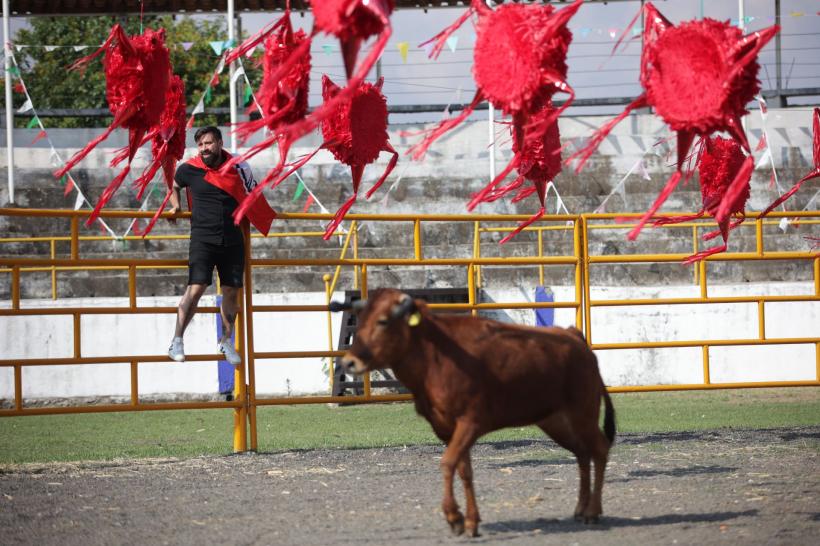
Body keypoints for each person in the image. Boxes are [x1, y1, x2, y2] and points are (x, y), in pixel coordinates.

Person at [167, 126, 275, 365]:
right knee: (195, 289)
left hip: (233, 238)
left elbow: (253, 192)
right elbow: (173, 185)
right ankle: (177, 340)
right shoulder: (189, 168)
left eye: (209, 143)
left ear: (219, 143)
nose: (205, 148)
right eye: (201, 144)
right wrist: (176, 206)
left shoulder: (238, 165)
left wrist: (266, 216)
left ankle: (226, 341)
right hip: (203, 239)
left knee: (231, 292)